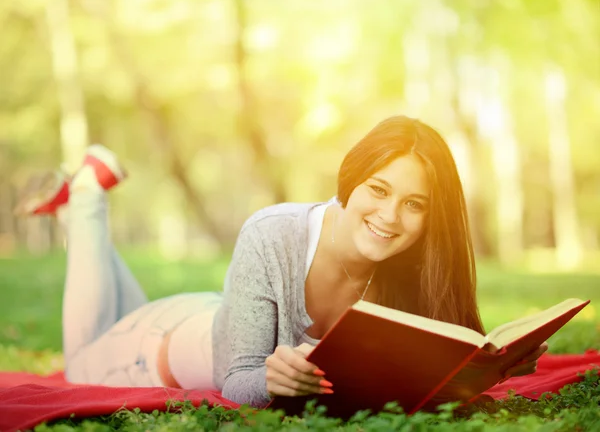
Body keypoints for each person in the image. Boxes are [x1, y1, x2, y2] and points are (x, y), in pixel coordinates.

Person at [16, 115, 547, 408]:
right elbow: (237, 382)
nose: (390, 216)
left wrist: (489, 368)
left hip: (212, 316)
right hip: (152, 353)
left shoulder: (409, 268)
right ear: (350, 181)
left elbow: (414, 382)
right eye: (378, 190)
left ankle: (76, 209)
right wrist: (270, 381)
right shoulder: (273, 234)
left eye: (414, 205)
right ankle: (85, 195)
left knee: (110, 315)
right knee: (82, 357)